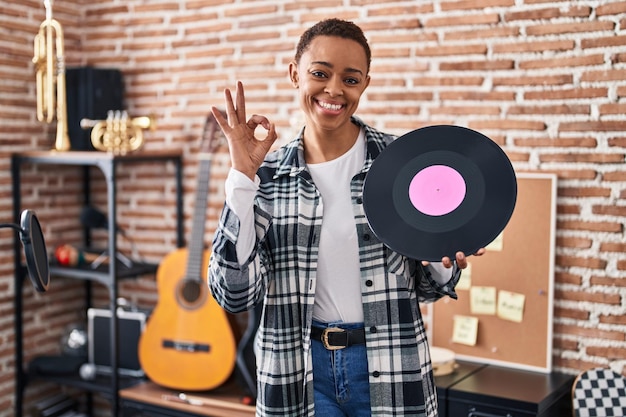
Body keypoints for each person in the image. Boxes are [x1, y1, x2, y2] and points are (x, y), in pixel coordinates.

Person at [208, 18, 485, 417]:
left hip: (391, 363)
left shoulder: (403, 167)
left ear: (365, 83)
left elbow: (429, 286)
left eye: (351, 79)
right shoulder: (263, 179)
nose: (334, 90)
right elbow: (234, 294)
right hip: (297, 371)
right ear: (294, 74)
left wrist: (441, 262)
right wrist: (241, 177)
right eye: (320, 73)